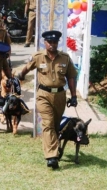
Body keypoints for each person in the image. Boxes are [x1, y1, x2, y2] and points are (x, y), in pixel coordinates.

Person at [18, 30, 78, 169]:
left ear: (58, 43)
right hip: (43, 94)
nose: (52, 44)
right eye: (49, 42)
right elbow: (26, 69)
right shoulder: (38, 57)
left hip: (60, 96)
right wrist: (19, 76)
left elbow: (71, 77)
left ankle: (55, 148)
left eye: (55, 42)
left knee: (56, 126)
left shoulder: (65, 58)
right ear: (45, 43)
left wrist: (74, 96)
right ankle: (51, 156)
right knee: (48, 123)